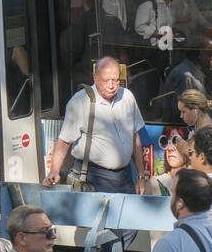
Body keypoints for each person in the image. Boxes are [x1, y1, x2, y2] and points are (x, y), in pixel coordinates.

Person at [44, 57, 149, 194]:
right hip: (94, 178)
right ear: (95, 78)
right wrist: (54, 171)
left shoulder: (127, 97)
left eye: (116, 80)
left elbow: (134, 138)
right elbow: (64, 141)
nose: (111, 85)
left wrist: (141, 176)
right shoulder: (80, 101)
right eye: (106, 81)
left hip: (125, 177)